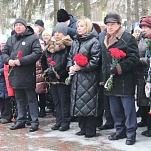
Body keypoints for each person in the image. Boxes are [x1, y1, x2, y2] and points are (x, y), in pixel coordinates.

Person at [101, 12, 139, 145]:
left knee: (128, 109)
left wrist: (119, 67)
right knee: (115, 109)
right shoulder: (105, 38)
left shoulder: (127, 38)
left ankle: (131, 133)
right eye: (107, 25)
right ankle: (119, 130)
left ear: (119, 24)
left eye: (112, 24)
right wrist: (103, 77)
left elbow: (134, 58)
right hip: (110, 80)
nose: (109, 27)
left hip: (125, 79)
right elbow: (103, 60)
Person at [2, 18, 42, 132]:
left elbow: (36, 53)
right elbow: (4, 52)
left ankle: (34, 121)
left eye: (20, 25)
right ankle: (20, 120)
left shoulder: (32, 38)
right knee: (19, 98)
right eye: (16, 25)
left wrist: (21, 61)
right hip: (14, 74)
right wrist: (8, 60)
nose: (18, 27)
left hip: (27, 73)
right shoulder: (11, 39)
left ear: (25, 26)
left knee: (31, 98)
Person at [67, 17, 101, 138]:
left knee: (88, 102)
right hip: (77, 77)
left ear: (88, 27)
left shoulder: (94, 42)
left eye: (81, 26)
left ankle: (90, 129)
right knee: (79, 102)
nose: (79, 29)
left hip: (89, 77)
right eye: (77, 27)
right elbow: (70, 56)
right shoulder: (76, 41)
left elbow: (95, 61)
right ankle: (82, 127)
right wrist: (70, 66)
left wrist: (81, 67)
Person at [42, 22, 72, 131]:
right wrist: (47, 70)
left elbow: (67, 61)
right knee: (56, 101)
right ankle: (58, 121)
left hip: (62, 78)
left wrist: (58, 71)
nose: (57, 34)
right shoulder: (49, 45)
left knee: (64, 101)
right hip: (52, 78)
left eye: (60, 32)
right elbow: (44, 60)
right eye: (56, 32)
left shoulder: (68, 46)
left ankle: (65, 121)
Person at [137, 16, 151, 137]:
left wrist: (138, 60)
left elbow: (149, 59)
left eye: (146, 27)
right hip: (141, 73)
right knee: (142, 99)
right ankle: (144, 120)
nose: (143, 29)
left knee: (148, 99)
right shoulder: (141, 38)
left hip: (148, 73)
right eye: (142, 27)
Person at [0, 38, 12, 124]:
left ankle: (6, 116)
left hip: (5, 79)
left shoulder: (6, 55)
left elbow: (6, 66)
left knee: (6, 98)